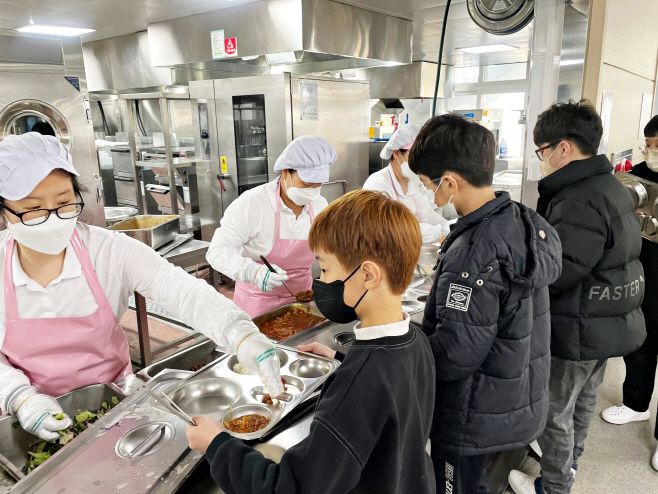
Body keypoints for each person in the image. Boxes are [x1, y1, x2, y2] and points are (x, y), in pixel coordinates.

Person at [0, 132, 284, 442]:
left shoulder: (108, 250)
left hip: (115, 405)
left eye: (65, 203)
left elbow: (180, 290)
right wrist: (20, 397)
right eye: (33, 209)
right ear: (4, 210)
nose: (53, 219)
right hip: (26, 421)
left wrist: (240, 333)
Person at [185, 190, 436, 494]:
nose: (321, 281)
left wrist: (217, 446)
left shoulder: (358, 386)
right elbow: (391, 403)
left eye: (326, 270)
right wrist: (342, 363)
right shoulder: (416, 341)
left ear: (368, 275)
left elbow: (291, 489)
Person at [408, 114, 562, 494]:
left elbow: (455, 354)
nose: (430, 194)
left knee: (454, 486)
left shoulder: (473, 252)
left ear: (449, 182)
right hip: (512, 396)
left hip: (471, 413)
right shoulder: (522, 219)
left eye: (429, 185)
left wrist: (402, 341)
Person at [509, 100, 646, 494]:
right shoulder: (608, 185)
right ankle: (569, 468)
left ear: (563, 148)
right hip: (606, 319)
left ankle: (553, 487)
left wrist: (518, 276)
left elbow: (560, 270)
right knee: (583, 400)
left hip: (579, 324)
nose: (542, 160)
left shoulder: (577, 198)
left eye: (542, 151)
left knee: (556, 411)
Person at [207, 136, 336, 318]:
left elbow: (332, 249)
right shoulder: (251, 204)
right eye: (307, 184)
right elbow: (217, 251)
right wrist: (253, 272)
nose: (313, 190)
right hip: (257, 306)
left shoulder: (319, 204)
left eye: (319, 185)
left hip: (304, 302)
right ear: (285, 173)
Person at [601, 114, 658, 470]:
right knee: (640, 341)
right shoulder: (635, 174)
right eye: (649, 145)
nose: (651, 152)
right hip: (644, 273)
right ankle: (636, 404)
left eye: (657, 146)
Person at [363, 124, 451, 243]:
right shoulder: (377, 185)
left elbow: (427, 214)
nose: (419, 162)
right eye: (414, 156)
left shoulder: (413, 180)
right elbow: (397, 229)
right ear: (397, 153)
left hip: (411, 247)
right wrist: (442, 232)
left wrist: (449, 228)